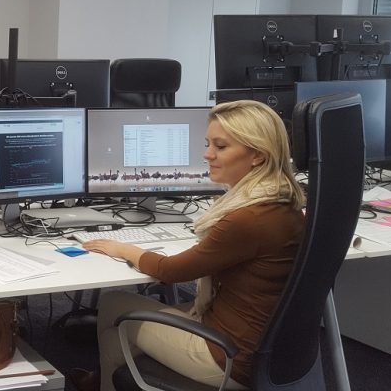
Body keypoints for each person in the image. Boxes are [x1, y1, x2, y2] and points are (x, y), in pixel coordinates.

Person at [70, 100, 306, 391]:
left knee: (113, 308)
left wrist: (122, 248)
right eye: (208, 144)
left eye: (221, 147)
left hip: (230, 357)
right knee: (115, 322)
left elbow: (171, 271)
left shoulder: (249, 218)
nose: (207, 154)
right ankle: (102, 382)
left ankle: (100, 383)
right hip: (263, 346)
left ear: (258, 155)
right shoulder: (279, 200)